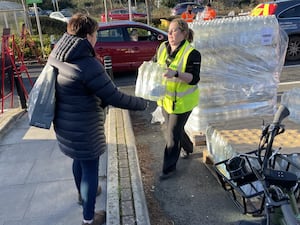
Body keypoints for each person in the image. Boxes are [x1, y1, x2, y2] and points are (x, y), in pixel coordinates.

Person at [47, 13, 147, 225]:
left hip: (65, 123)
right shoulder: (87, 64)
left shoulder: (58, 53)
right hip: (84, 126)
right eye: (95, 34)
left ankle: (82, 196)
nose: (96, 39)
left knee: (78, 160)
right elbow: (113, 96)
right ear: (88, 37)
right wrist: (142, 103)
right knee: (90, 169)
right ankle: (89, 218)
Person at [152, 18, 201, 180]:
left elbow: (194, 78)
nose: (170, 34)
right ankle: (188, 147)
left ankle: (168, 169)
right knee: (175, 129)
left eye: (174, 31)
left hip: (182, 103)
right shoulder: (162, 47)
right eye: (169, 31)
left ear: (184, 34)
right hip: (166, 100)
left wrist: (177, 74)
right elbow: (154, 65)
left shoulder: (192, 53)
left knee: (172, 135)